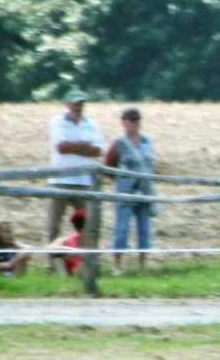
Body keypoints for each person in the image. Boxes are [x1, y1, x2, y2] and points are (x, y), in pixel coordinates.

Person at [47, 88, 106, 241]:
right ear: (67, 104)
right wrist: (84, 146)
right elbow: (61, 148)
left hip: (83, 181)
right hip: (60, 180)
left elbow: (97, 151)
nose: (77, 107)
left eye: (80, 104)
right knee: (54, 225)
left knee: (88, 223)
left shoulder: (92, 124)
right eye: (74, 103)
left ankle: (86, 253)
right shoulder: (57, 122)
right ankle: (51, 254)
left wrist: (74, 147)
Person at [104, 106, 155, 273]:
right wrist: (120, 181)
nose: (134, 122)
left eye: (137, 119)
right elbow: (108, 165)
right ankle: (117, 264)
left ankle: (142, 264)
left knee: (144, 229)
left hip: (144, 190)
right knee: (122, 228)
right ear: (124, 122)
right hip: (125, 192)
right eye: (131, 119)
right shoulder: (119, 143)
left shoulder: (147, 141)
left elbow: (150, 163)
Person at [47, 208, 86, 276]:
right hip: (72, 270)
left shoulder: (90, 241)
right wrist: (68, 252)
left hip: (81, 269)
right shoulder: (67, 240)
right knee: (58, 258)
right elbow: (50, 249)